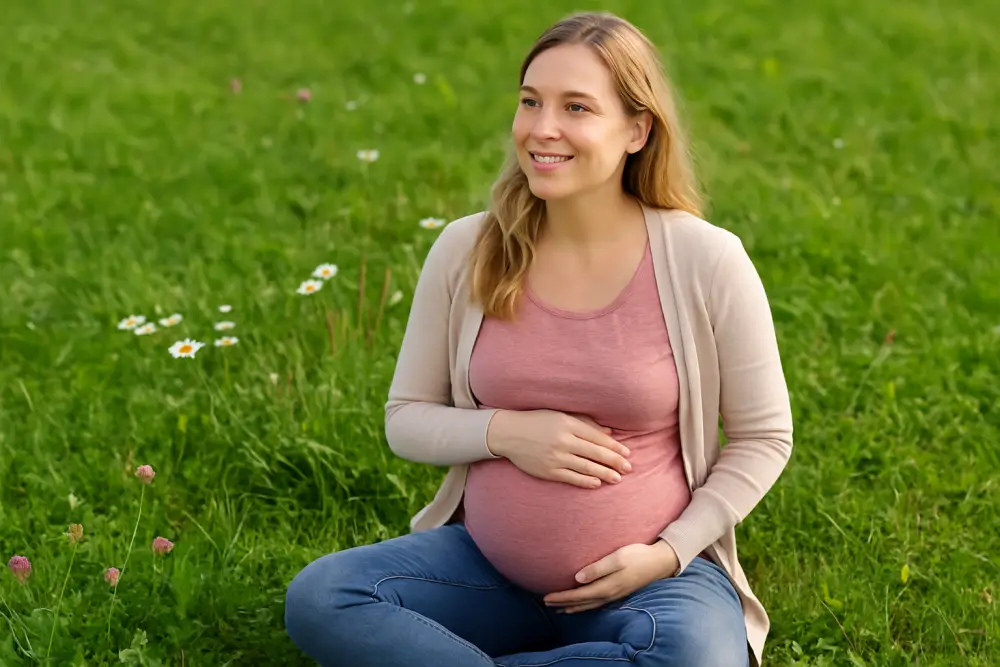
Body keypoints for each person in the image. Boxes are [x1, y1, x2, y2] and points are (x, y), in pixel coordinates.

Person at [284, 10, 793, 667]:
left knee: (695, 658)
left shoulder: (706, 260)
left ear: (637, 129)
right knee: (323, 595)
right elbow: (405, 419)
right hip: (488, 573)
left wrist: (667, 551)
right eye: (531, 102)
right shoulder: (468, 248)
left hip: (651, 582)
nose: (542, 128)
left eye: (577, 107)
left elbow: (763, 436)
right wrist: (507, 433)